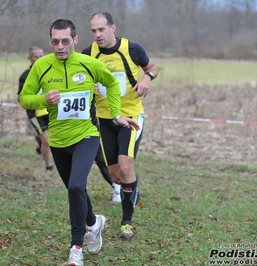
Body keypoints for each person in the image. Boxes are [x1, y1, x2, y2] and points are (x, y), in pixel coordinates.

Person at [19, 19, 139, 266]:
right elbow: (24, 99)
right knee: (77, 190)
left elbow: (111, 85)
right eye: (55, 41)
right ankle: (94, 223)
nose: (60, 46)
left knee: (75, 187)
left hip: (87, 134)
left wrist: (116, 114)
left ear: (74, 40)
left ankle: (76, 249)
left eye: (65, 41)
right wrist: (43, 99)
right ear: (50, 41)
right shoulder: (41, 66)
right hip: (59, 141)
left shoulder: (89, 64)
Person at [82, 12, 159, 239]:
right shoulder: (88, 54)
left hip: (131, 117)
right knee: (116, 175)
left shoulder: (132, 49)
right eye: (94, 31)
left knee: (126, 168)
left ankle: (126, 223)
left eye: (101, 30)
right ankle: (132, 186)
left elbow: (153, 67)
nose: (97, 35)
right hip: (105, 120)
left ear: (112, 28)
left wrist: (147, 78)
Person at [18, 46, 53, 172]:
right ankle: (48, 166)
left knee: (52, 139)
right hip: (35, 113)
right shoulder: (25, 75)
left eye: (41, 56)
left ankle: (40, 141)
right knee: (46, 140)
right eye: (35, 57)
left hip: (50, 110)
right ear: (29, 58)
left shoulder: (50, 71)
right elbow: (21, 97)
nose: (39, 59)